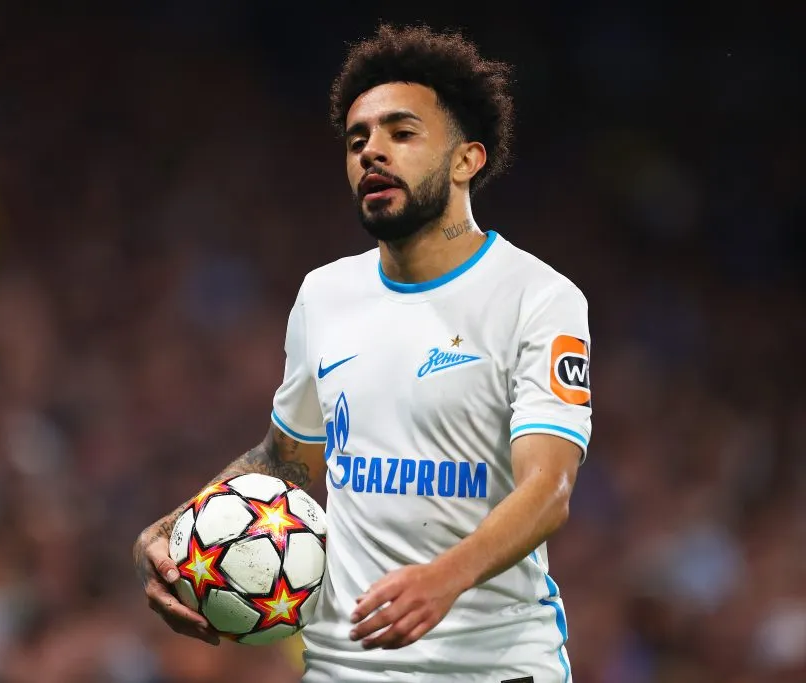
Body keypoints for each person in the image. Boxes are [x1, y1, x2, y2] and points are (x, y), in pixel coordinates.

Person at [134, 23, 591, 682]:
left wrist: (445, 578)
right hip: (343, 668)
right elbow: (286, 462)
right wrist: (171, 532)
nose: (372, 152)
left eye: (401, 133)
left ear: (467, 159)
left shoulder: (537, 297)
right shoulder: (325, 295)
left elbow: (549, 488)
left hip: (494, 667)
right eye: (358, 140)